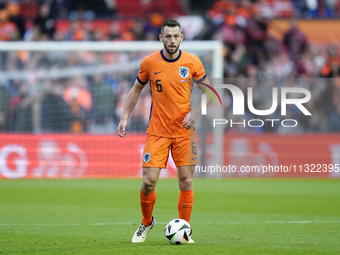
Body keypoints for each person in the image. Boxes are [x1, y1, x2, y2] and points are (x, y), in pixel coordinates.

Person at [117, 20, 211, 243]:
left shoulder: (192, 61)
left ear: (182, 37)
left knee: (186, 181)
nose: (171, 40)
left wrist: (197, 112)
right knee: (148, 182)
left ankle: (185, 230)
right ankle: (147, 222)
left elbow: (209, 92)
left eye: (175, 36)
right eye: (167, 36)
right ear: (161, 38)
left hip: (184, 132)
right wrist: (124, 116)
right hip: (157, 132)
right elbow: (136, 89)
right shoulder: (150, 62)